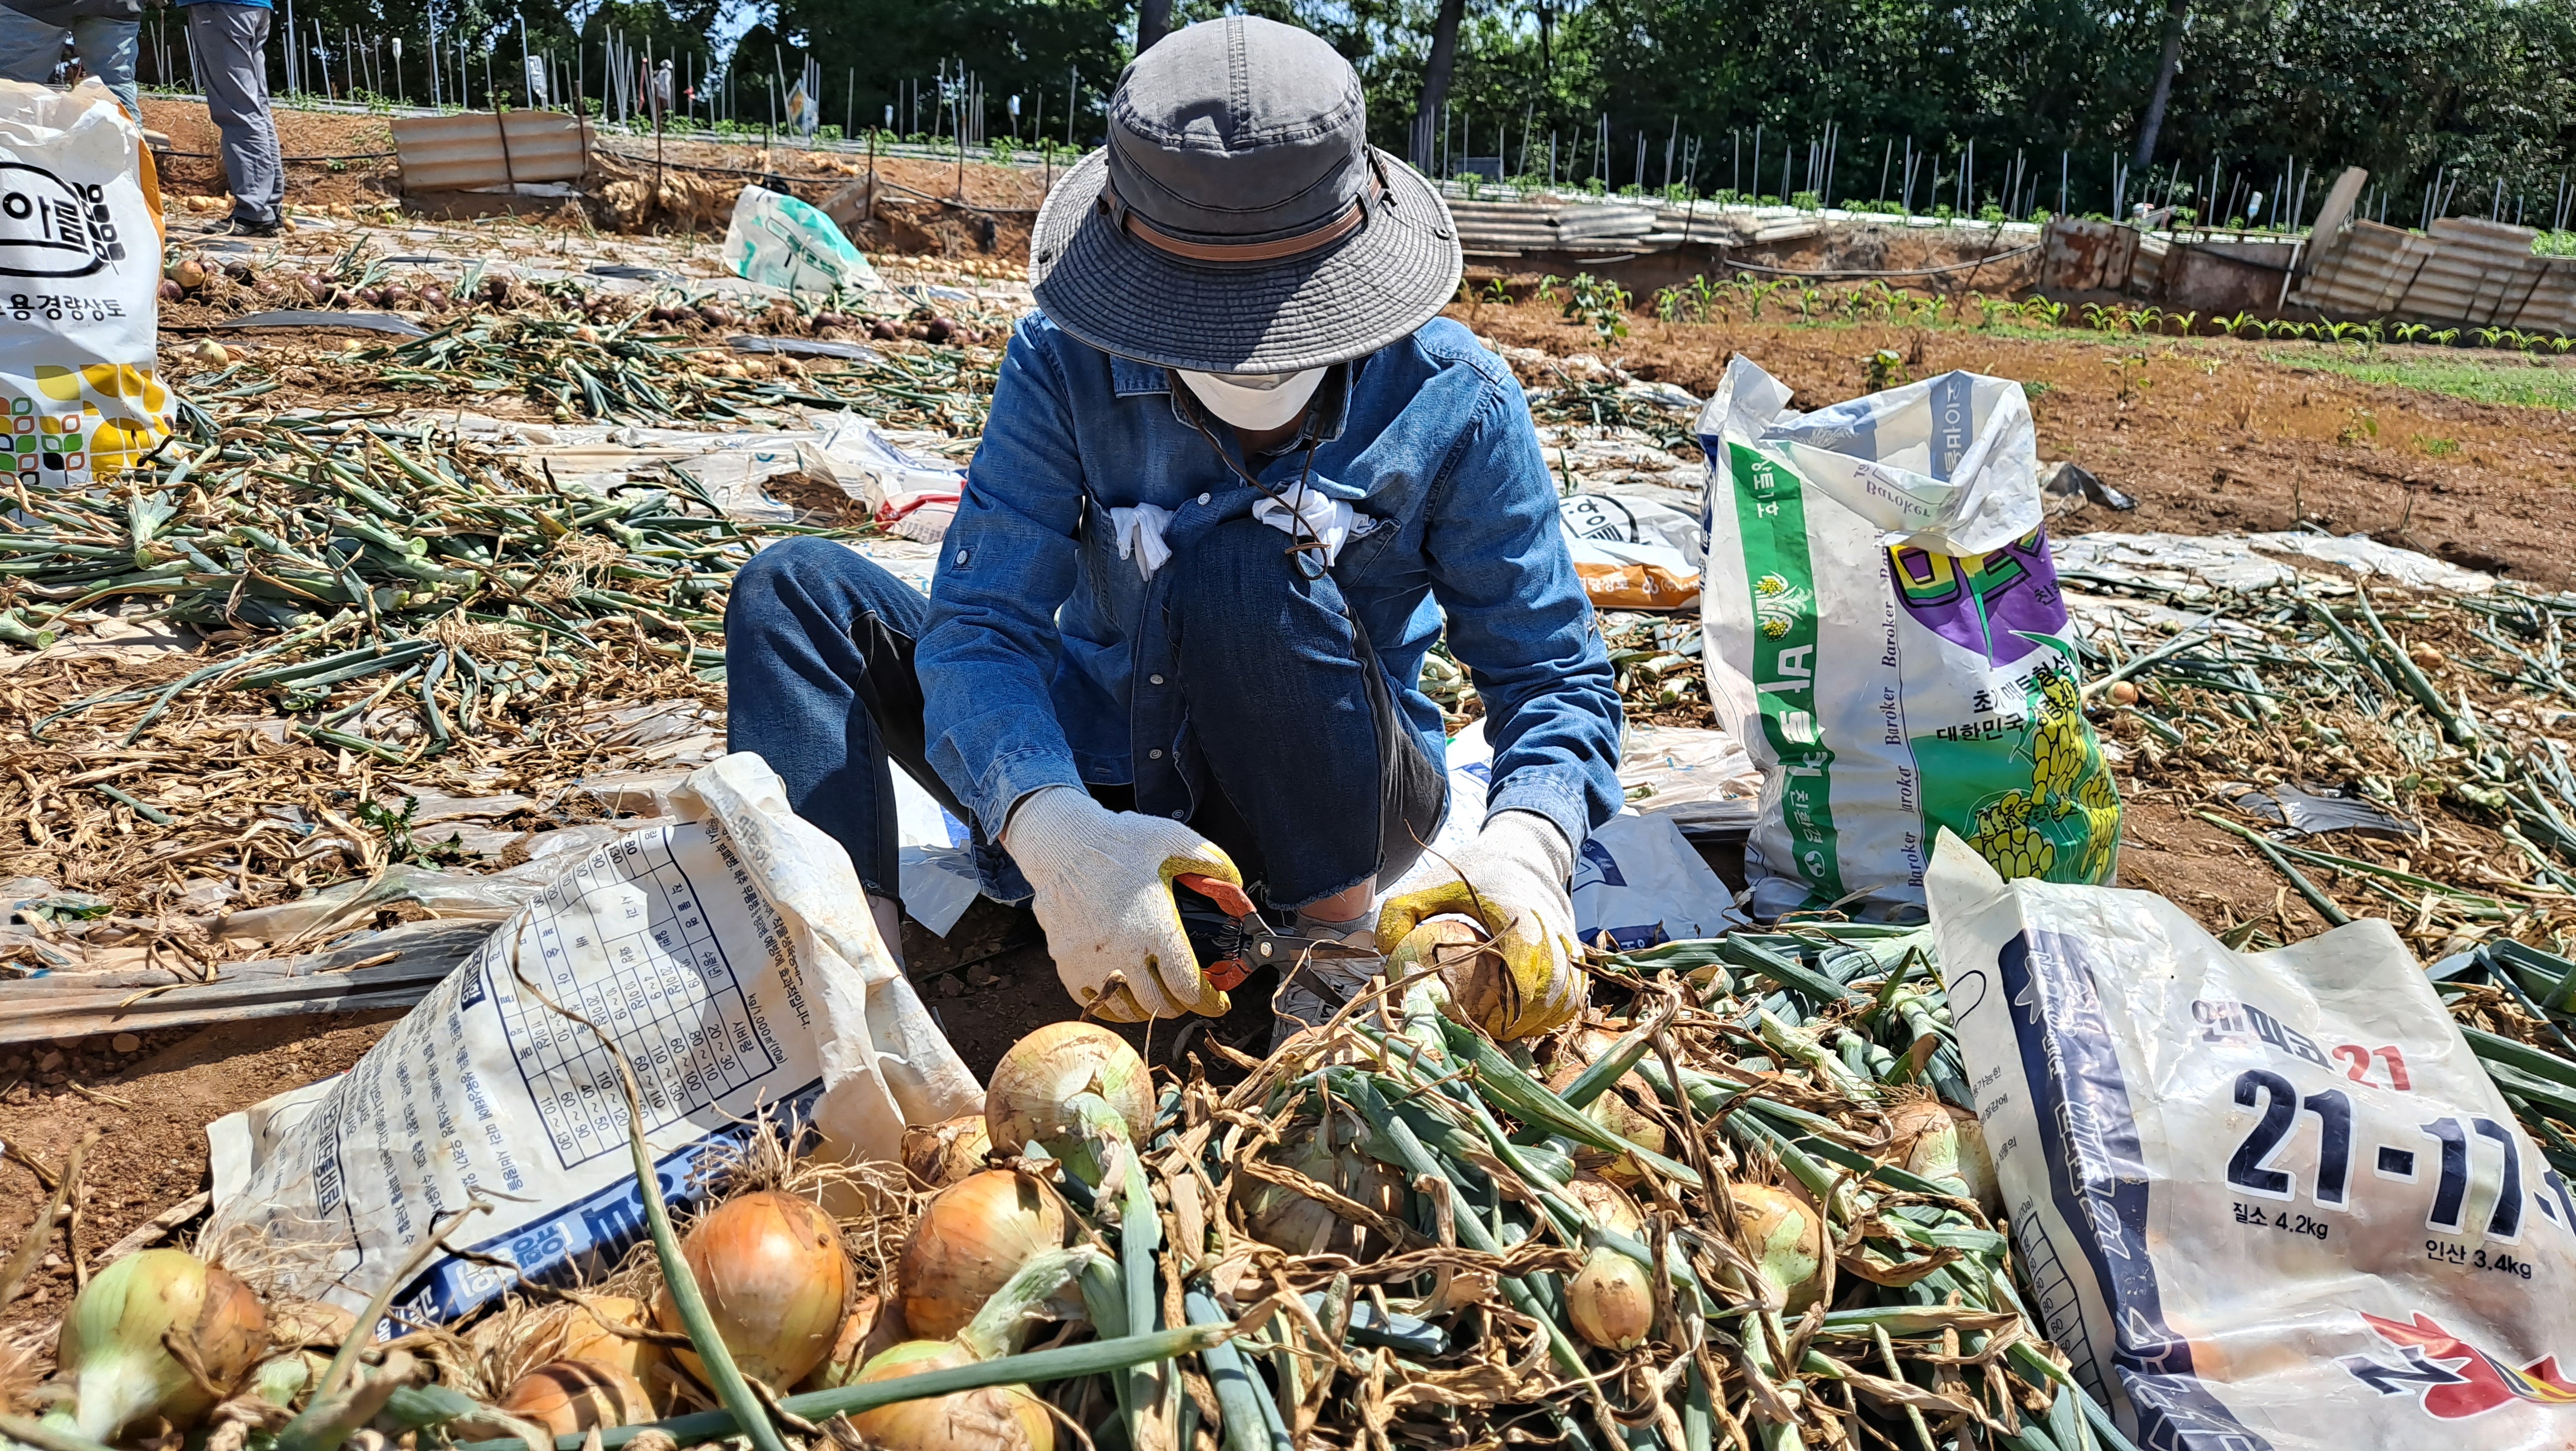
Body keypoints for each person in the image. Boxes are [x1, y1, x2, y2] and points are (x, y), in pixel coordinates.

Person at [725, 15, 1622, 1041]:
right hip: (1101, 762)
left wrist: (1528, 840)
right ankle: (854, 1005)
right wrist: (1057, 833)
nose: (1249, 360)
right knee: (793, 590)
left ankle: (1319, 968)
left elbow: (1553, 676)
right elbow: (982, 625)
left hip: (1325, 792)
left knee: (1240, 559)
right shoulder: (1064, 363)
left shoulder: (1451, 399)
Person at [176, 0, 281, 235]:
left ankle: (254, 210)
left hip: (221, 7)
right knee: (255, 107)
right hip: (254, 7)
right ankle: (268, 205)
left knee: (237, 109)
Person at [0, 0, 142, 123]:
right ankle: (132, 152)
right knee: (115, 87)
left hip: (32, 7)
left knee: (13, 88)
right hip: (116, 5)